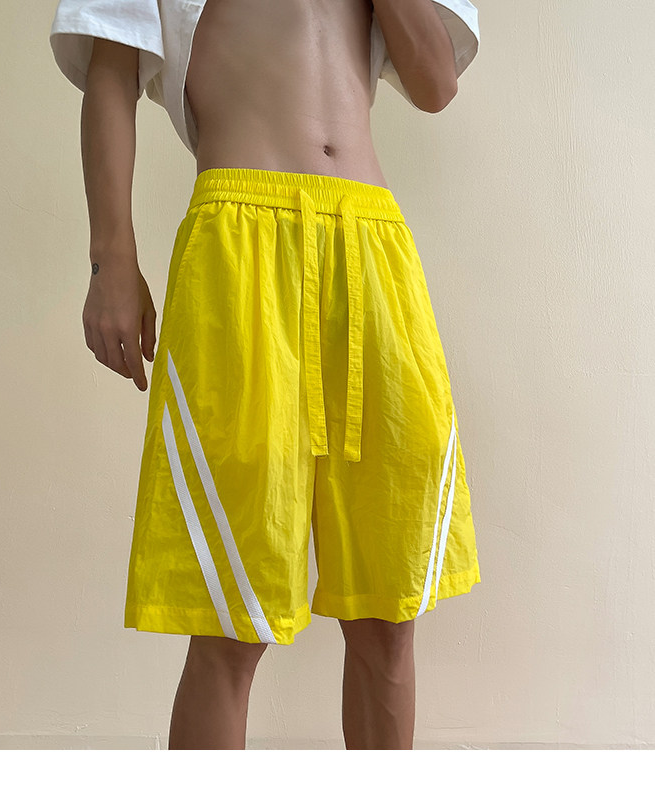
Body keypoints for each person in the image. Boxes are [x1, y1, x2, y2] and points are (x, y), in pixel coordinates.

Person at [49, 0, 481, 750]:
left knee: (389, 613)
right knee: (229, 620)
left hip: (372, 248)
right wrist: (111, 258)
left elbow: (436, 83)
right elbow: (110, 73)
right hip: (239, 240)